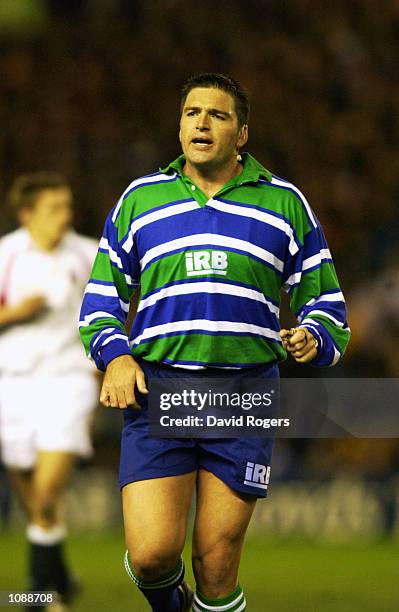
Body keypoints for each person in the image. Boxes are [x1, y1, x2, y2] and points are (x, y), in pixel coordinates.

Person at [79, 73, 350, 612]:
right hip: (161, 392)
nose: (201, 122)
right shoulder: (140, 200)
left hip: (244, 395)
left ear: (241, 133)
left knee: (216, 564)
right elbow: (99, 303)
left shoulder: (283, 203)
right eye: (191, 113)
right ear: (179, 125)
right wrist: (115, 356)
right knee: (153, 554)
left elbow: (330, 308)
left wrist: (312, 335)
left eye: (218, 115)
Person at [0, 172, 98, 609]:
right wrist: (15, 313)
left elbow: (117, 310)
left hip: (69, 381)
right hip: (12, 384)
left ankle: (38, 598)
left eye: (68, 206)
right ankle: (58, 577)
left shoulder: (89, 254)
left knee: (45, 494)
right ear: (27, 214)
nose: (66, 216)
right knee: (34, 500)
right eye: (55, 208)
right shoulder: (6, 257)